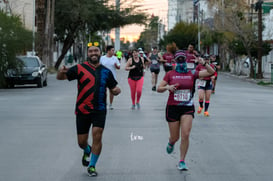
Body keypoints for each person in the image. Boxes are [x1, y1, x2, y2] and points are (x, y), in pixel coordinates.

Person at [56, 45, 121, 177]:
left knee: (97, 135)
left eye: (96, 51)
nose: (93, 53)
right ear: (88, 54)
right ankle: (87, 149)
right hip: (82, 109)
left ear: (100, 53)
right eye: (90, 51)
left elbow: (115, 88)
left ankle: (92, 166)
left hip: (100, 109)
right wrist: (60, 71)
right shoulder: (80, 68)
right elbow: (60, 77)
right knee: (81, 141)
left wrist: (116, 91)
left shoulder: (106, 72)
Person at [157, 50, 215, 170]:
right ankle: (171, 142)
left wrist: (203, 63)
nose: (181, 62)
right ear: (175, 61)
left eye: (183, 59)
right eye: (178, 60)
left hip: (187, 108)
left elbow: (212, 72)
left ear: (186, 61)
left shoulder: (192, 73)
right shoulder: (170, 74)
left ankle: (182, 161)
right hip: (172, 108)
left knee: (186, 134)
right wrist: (168, 87)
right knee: (175, 137)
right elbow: (159, 88)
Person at [100, 45, 121, 110]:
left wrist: (116, 66)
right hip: (103, 77)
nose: (113, 52)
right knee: (104, 91)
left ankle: (111, 104)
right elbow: (98, 66)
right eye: (112, 50)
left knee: (112, 91)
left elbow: (118, 67)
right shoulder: (102, 58)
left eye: (113, 50)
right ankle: (104, 103)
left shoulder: (115, 58)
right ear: (108, 51)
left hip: (112, 77)